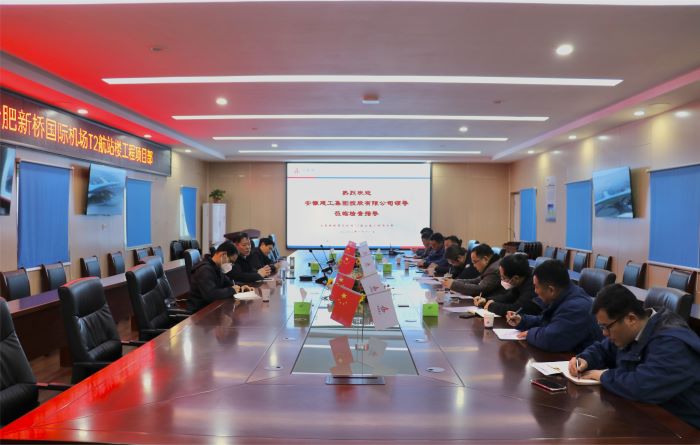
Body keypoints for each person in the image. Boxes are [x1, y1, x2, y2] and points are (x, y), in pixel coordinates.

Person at [568, 284, 700, 429]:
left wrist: (603, 376)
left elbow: (643, 387)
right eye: (601, 327)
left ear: (631, 319)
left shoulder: (672, 344)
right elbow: (603, 349)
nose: (604, 333)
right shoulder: (634, 331)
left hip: (685, 427)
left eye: (606, 327)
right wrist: (585, 359)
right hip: (650, 415)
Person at [506, 259, 602, 353]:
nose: (535, 291)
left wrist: (529, 334)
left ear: (551, 290)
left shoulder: (576, 307)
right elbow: (548, 321)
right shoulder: (565, 294)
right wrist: (523, 320)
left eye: (536, 287)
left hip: (581, 359)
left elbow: (550, 340)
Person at [188, 241, 251, 313]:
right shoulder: (204, 270)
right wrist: (232, 290)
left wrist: (242, 286)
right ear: (223, 255)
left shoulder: (216, 267)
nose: (231, 265)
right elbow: (211, 295)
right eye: (231, 261)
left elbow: (229, 282)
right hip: (200, 312)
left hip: (212, 308)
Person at [473, 253, 542, 317]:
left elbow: (516, 309)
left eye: (503, 278)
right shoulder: (522, 278)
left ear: (516, 278)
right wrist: (486, 300)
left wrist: (491, 306)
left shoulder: (533, 285)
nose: (501, 279)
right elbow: (509, 296)